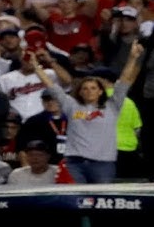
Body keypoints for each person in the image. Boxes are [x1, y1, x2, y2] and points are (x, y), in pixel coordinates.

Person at [30, 40, 144, 183]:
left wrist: (133, 57)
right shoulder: (71, 105)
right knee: (75, 201)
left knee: (101, 201)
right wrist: (36, 67)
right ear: (80, 92)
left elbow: (125, 80)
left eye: (93, 88)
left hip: (102, 164)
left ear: (100, 91)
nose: (89, 91)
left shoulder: (112, 106)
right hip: (75, 163)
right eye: (85, 88)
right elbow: (52, 86)